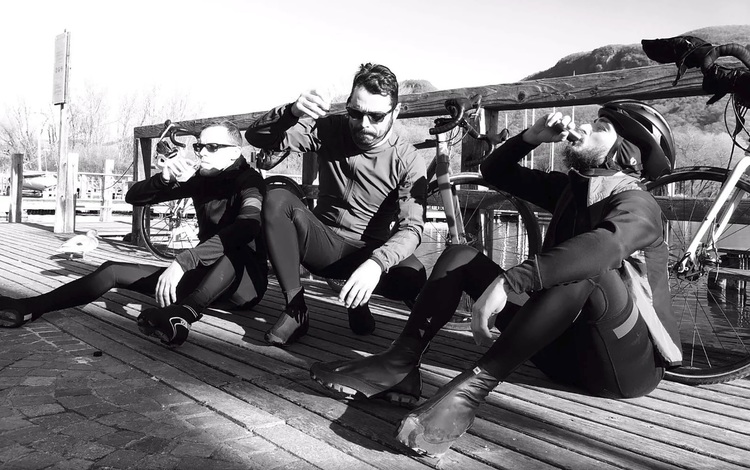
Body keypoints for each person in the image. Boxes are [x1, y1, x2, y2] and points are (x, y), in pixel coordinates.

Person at [310, 100, 682, 457]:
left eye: (600, 126)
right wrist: (530, 138)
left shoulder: (638, 204)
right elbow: (495, 172)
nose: (584, 126)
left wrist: (509, 282)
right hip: (560, 354)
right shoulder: (571, 190)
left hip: (624, 368)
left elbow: (605, 246)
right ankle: (400, 363)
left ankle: (470, 392)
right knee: (460, 256)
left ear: (627, 151)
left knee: (589, 268)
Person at [0, 120, 268, 347]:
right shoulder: (201, 179)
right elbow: (133, 197)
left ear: (234, 153)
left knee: (236, 243)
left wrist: (183, 261)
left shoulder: (250, 181)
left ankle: (184, 314)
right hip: (204, 276)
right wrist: (164, 179)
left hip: (243, 285)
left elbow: (248, 226)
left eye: (212, 147)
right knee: (112, 269)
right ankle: (31, 307)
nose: (202, 153)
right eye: (199, 146)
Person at [245, 63, 427, 346]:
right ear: (349, 105)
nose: (364, 124)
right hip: (322, 243)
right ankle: (296, 309)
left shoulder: (409, 160)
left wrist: (377, 263)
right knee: (276, 197)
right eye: (355, 113)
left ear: (396, 111)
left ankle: (358, 301)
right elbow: (256, 137)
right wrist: (291, 111)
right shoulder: (329, 129)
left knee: (413, 276)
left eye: (376, 116)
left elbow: (412, 228)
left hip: (366, 251)